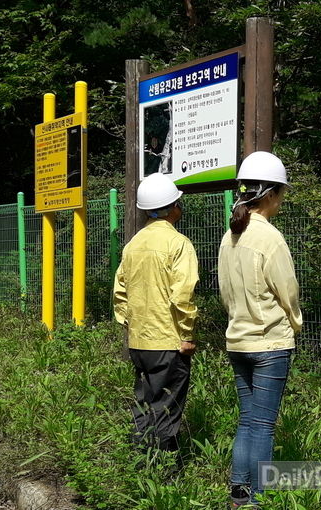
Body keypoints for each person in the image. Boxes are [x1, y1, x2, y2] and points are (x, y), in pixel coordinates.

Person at [217, 151, 302, 507]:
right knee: (264, 427)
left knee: (247, 421)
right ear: (269, 194)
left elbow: (224, 292)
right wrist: (295, 324)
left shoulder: (229, 236)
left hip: (238, 341)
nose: (281, 200)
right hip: (269, 344)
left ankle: (240, 494)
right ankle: (259, 500)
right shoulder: (270, 239)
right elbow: (289, 292)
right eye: (281, 192)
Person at [113, 172, 198, 452]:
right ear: (173, 207)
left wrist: (129, 324)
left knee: (144, 404)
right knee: (166, 408)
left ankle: (140, 461)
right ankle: (162, 472)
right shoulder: (179, 244)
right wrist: (186, 334)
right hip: (169, 342)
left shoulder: (132, 245)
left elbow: (120, 293)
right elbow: (182, 295)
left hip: (139, 342)